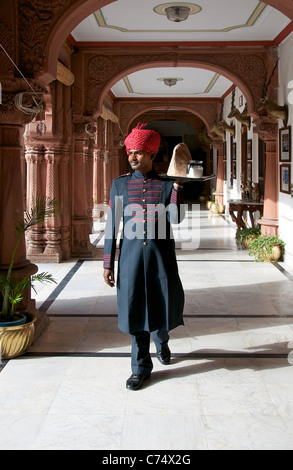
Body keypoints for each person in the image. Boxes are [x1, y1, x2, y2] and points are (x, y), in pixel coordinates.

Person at [103, 123, 185, 390]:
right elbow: (111, 226)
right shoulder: (119, 185)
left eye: (139, 152)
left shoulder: (165, 185)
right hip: (130, 261)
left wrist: (177, 190)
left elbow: (176, 218)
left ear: (151, 155)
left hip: (161, 259)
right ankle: (140, 368)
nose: (133, 157)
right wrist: (108, 263)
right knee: (135, 311)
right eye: (130, 153)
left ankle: (162, 341)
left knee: (161, 307)